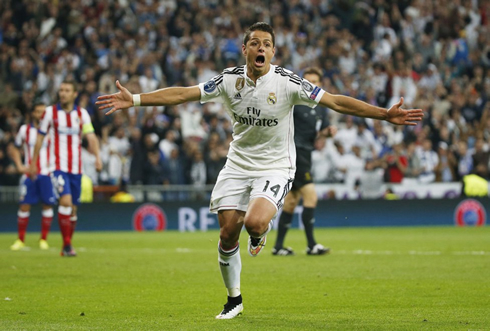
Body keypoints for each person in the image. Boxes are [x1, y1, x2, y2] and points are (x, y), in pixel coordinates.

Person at [96, 22, 423, 320]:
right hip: (237, 163)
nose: (261, 48)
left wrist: (383, 114)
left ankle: (261, 231)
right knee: (226, 234)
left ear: (273, 51)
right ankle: (234, 299)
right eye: (255, 43)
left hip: (276, 165)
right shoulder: (228, 80)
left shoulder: (288, 83)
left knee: (253, 221)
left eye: (267, 43)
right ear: (245, 49)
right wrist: (136, 99)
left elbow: (336, 102)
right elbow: (183, 94)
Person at [30, 81, 102, 257]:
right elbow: (40, 138)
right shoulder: (50, 113)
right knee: (66, 202)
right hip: (58, 166)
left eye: (67, 90)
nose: (63, 93)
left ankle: (66, 245)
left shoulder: (81, 114)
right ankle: (68, 245)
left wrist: (98, 158)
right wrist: (33, 162)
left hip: (76, 168)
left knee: (74, 209)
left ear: (74, 94)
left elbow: (91, 137)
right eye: (61, 90)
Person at [272, 67, 336, 256]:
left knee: (291, 201)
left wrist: (328, 133)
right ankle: (312, 245)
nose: (311, 85)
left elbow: (319, 132)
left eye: (315, 82)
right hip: (294, 153)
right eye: (307, 82)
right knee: (311, 196)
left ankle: (278, 247)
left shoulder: (321, 108)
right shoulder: (294, 103)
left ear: (320, 84)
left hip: (306, 153)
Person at [10, 103, 56, 251]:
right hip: (29, 174)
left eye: (43, 112)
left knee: (47, 205)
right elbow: (15, 148)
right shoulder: (25, 130)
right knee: (24, 205)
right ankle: (20, 239)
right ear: (33, 114)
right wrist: (19, 165)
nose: (40, 115)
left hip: (47, 173)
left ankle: (43, 239)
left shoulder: (52, 131)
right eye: (38, 112)